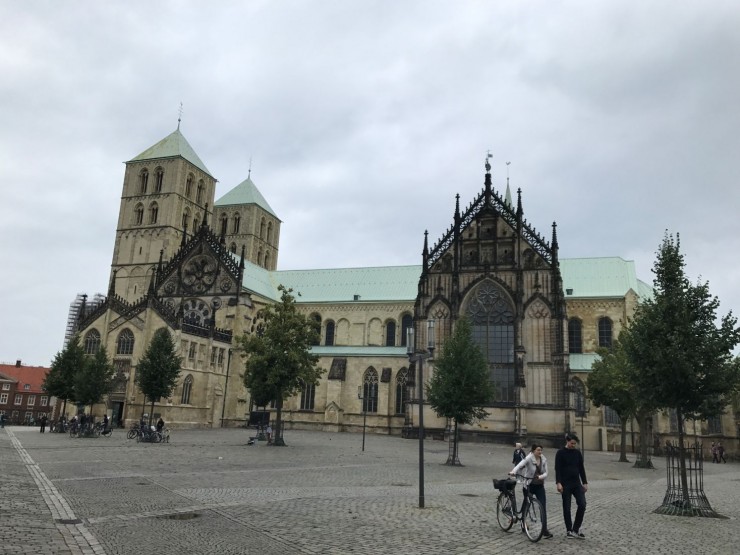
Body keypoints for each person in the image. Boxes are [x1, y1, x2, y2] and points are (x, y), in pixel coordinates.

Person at [511, 444, 553, 539]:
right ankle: (523, 523)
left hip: (539, 486)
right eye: (538, 450)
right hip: (529, 485)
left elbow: (546, 473)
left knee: (543, 506)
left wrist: (540, 477)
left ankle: (544, 529)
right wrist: (513, 471)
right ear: (533, 450)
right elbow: (520, 464)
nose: (540, 452)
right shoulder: (529, 458)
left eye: (541, 450)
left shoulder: (543, 459)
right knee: (527, 504)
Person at [555, 433, 588, 539]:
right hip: (565, 484)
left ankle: (576, 529)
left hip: (576, 483)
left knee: (582, 504)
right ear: (567, 441)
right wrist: (558, 483)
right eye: (572, 443)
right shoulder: (560, 453)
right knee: (567, 508)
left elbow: (581, 468)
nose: (573, 445)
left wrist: (585, 482)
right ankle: (569, 530)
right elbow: (558, 469)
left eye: (575, 443)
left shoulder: (577, 453)